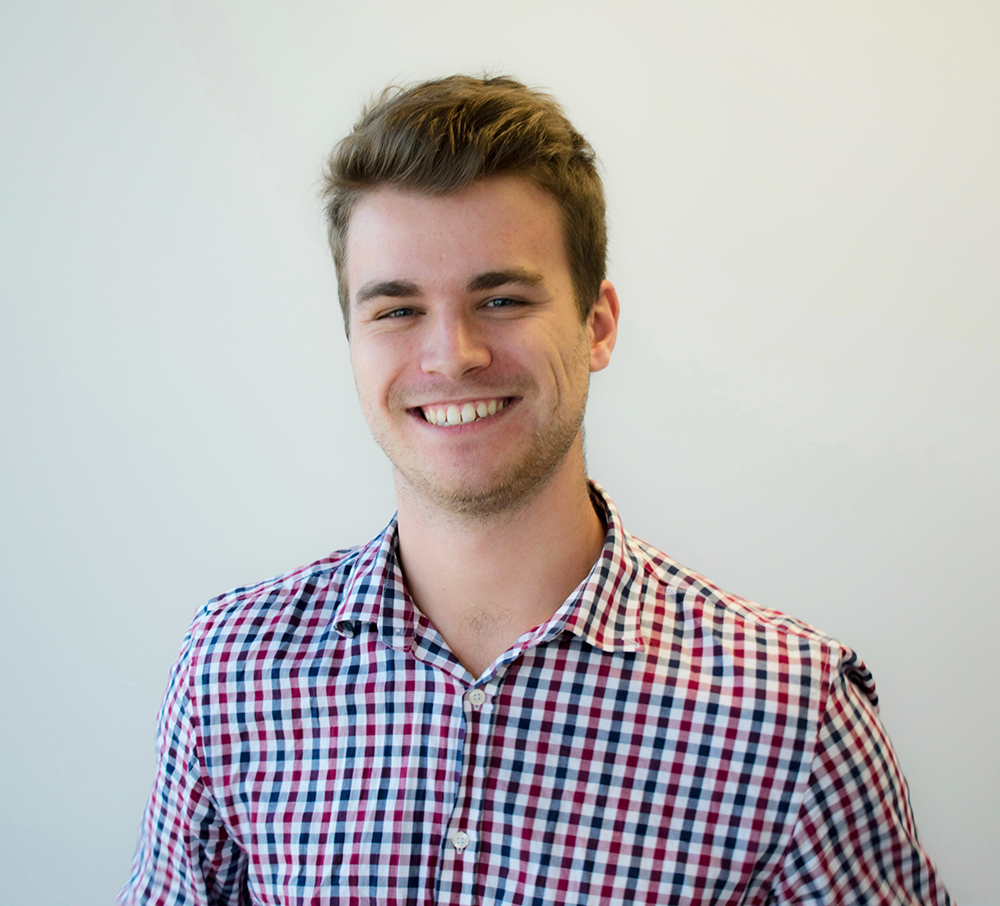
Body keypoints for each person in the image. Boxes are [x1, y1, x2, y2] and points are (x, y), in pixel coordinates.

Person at [120, 75, 952, 905]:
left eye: (502, 298)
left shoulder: (793, 714)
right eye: (398, 310)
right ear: (351, 340)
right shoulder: (232, 672)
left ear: (598, 325)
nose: (452, 356)